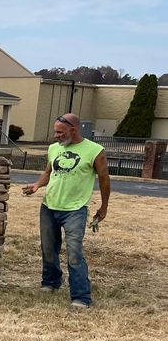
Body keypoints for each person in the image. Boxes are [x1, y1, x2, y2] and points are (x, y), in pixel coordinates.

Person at [22, 113, 109, 309]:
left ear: (73, 130)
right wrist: (37, 185)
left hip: (75, 210)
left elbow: (104, 179)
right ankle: (51, 282)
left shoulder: (95, 150)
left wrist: (104, 207)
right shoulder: (54, 148)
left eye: (60, 132)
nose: (56, 136)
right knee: (48, 248)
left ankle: (81, 296)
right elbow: (48, 172)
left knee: (74, 252)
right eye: (55, 132)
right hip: (49, 206)